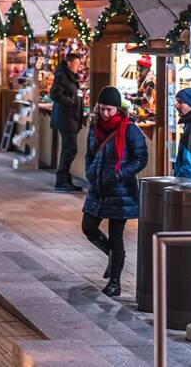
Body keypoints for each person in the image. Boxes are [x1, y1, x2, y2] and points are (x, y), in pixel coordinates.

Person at [81, 86, 148, 297]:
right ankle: (113, 255)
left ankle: (115, 282)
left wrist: (120, 174)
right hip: (98, 187)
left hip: (121, 190)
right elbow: (89, 154)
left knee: (116, 235)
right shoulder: (95, 126)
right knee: (88, 227)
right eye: (102, 109)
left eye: (109, 109)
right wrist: (90, 173)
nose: (105, 114)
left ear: (118, 109)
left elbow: (141, 158)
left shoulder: (130, 129)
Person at [50, 52, 84, 192]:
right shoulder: (62, 76)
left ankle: (65, 177)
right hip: (66, 118)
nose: (78, 66)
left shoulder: (70, 77)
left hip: (70, 118)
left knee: (68, 149)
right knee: (70, 149)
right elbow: (55, 94)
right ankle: (61, 180)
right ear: (69, 63)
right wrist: (71, 103)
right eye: (77, 63)